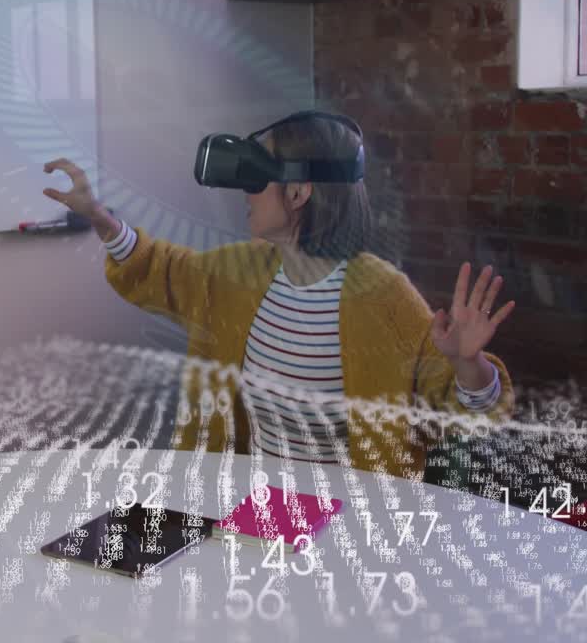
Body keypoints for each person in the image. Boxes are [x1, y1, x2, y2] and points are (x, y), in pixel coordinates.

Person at [42, 111, 514, 479]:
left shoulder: (383, 295)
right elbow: (162, 270)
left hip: (353, 525)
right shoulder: (238, 274)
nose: (245, 193)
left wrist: (468, 365)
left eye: (257, 179)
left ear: (297, 194)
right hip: (253, 507)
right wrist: (101, 218)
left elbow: (460, 415)